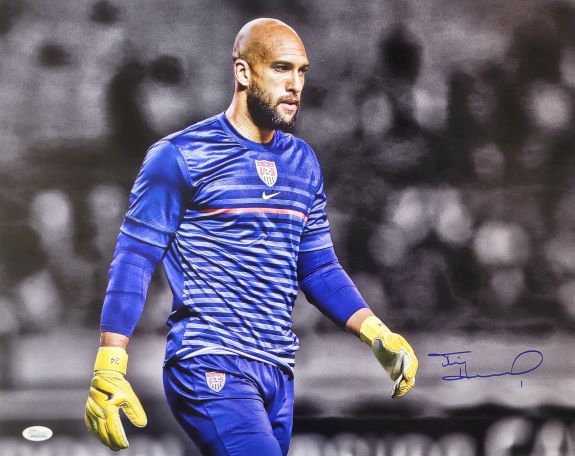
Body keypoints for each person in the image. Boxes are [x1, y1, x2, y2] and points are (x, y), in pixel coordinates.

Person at [84, 18, 418, 456]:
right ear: (243, 72)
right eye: (281, 68)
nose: (295, 85)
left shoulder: (302, 161)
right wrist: (110, 364)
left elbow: (317, 266)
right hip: (210, 361)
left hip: (277, 370)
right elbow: (135, 257)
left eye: (301, 71)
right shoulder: (180, 155)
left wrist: (376, 332)